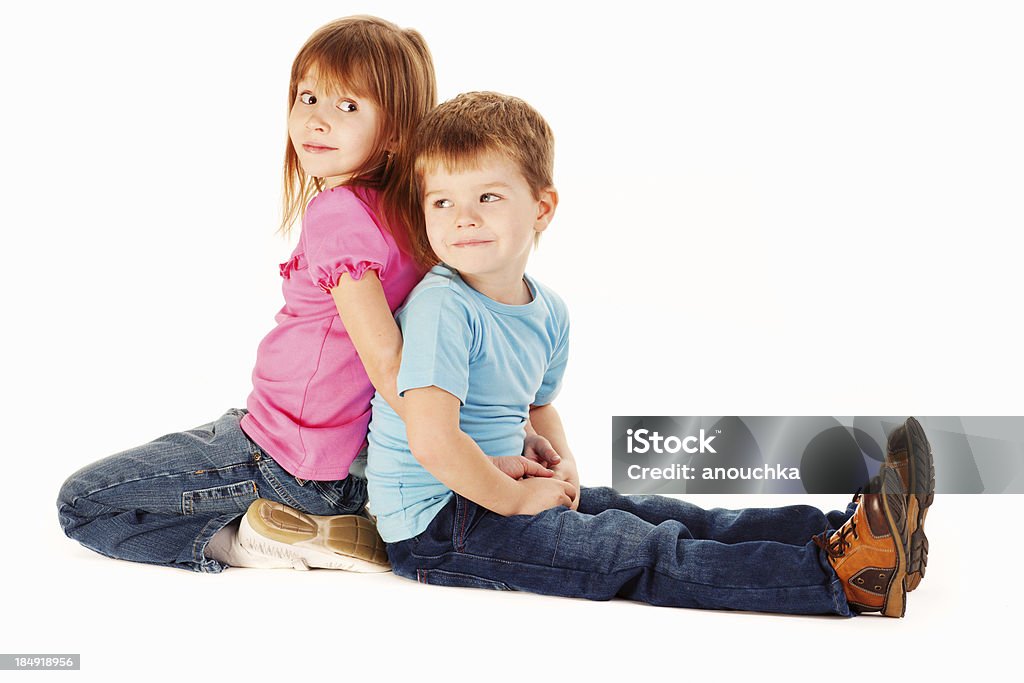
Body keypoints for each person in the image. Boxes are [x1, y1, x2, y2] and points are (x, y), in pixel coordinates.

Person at [361, 91, 936, 616]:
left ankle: (850, 533)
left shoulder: (548, 310)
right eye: (441, 201)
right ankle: (838, 576)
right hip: (439, 524)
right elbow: (432, 439)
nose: (463, 217)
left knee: (674, 516)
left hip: (498, 487)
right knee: (634, 550)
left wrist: (560, 466)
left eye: (488, 195)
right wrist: (515, 501)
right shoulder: (444, 304)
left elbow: (538, 409)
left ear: (541, 207)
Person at [56, 15, 443, 573]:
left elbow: (388, 363)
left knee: (82, 503)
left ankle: (254, 540)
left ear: (399, 128)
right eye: (307, 96)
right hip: (304, 443)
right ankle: (317, 518)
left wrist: (453, 453)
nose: (316, 119)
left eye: (348, 106)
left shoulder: (338, 211)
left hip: (286, 459)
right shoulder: (409, 213)